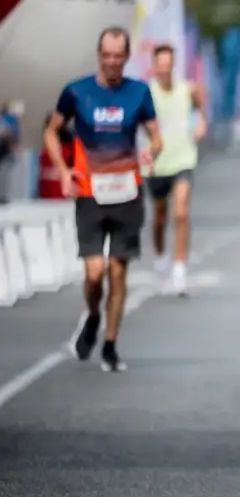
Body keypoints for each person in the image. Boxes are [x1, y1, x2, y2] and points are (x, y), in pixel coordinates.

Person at [43, 27, 162, 372]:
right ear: (99, 55)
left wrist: (151, 154)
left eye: (118, 56)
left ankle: (110, 344)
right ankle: (93, 314)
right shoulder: (76, 92)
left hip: (127, 190)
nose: (111, 62)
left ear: (126, 57)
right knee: (94, 273)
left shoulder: (139, 93)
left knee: (118, 272)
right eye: (106, 56)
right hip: (89, 191)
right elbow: (51, 131)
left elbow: (156, 138)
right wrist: (64, 171)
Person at [144, 44, 207, 296]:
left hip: (183, 159)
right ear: (154, 66)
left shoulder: (187, 89)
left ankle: (179, 270)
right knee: (160, 218)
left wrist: (201, 122)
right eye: (160, 65)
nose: (165, 69)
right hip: (157, 164)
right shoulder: (146, 93)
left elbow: (201, 108)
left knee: (181, 213)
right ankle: (161, 261)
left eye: (169, 65)